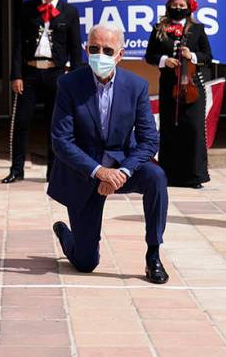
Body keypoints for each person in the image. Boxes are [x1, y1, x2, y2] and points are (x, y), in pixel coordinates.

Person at [48, 22, 169, 284]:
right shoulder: (69, 84)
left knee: (156, 177)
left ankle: (153, 254)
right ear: (85, 49)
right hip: (85, 173)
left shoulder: (135, 86)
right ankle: (65, 234)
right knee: (85, 263)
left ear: (120, 54)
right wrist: (99, 171)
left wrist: (122, 172)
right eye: (94, 48)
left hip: (121, 167)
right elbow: (61, 140)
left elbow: (149, 140)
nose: (99, 55)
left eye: (107, 49)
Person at [4, 0, 83, 183]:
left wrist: (75, 80)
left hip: (56, 73)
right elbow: (18, 45)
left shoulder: (70, 12)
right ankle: (16, 170)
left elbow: (76, 49)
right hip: (29, 72)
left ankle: (54, 172)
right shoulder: (27, 8)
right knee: (21, 121)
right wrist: (16, 75)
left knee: (55, 124)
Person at [145, 0, 213, 189]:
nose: (178, 8)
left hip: (192, 86)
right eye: (175, 5)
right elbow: (150, 55)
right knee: (170, 129)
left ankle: (194, 176)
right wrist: (165, 61)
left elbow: (207, 56)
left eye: (182, 5)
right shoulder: (159, 29)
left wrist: (191, 55)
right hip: (169, 87)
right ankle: (169, 175)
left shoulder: (197, 29)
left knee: (193, 130)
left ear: (189, 8)